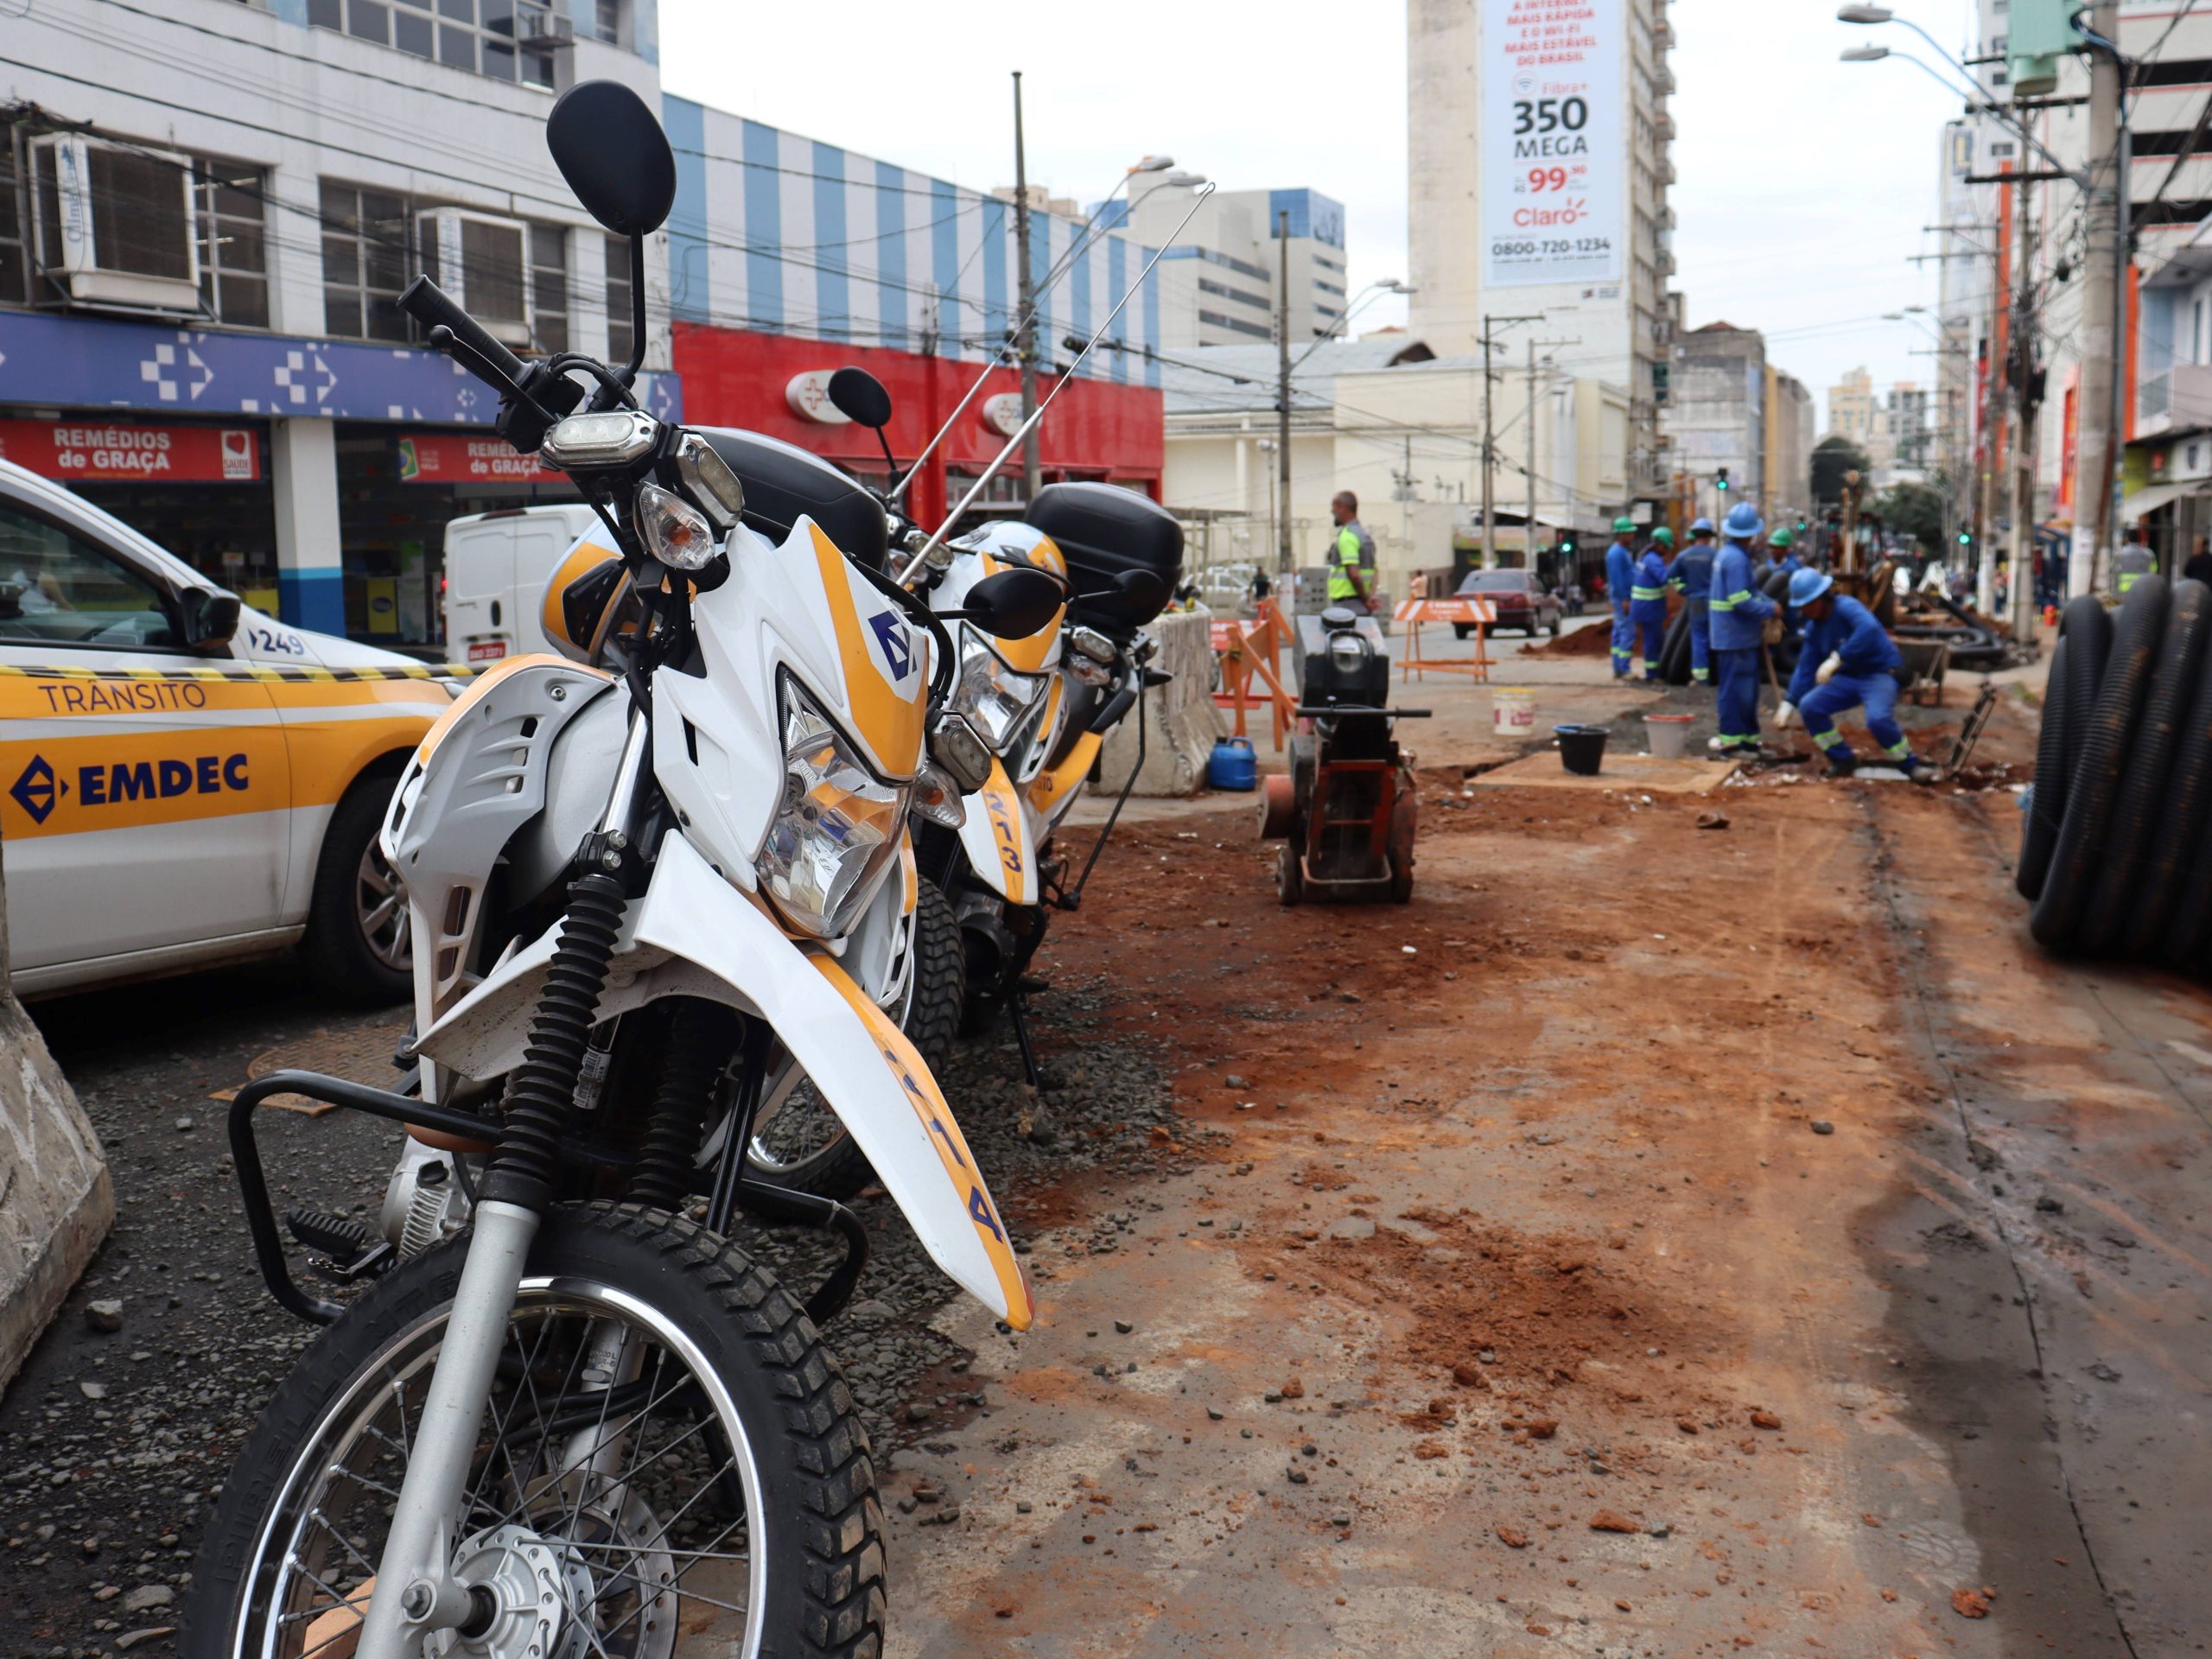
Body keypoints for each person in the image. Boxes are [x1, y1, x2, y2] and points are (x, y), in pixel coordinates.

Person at [1774, 568, 1927, 780]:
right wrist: (1790, 702)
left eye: (1809, 604)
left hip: (1878, 673)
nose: (1806, 610)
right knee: (1810, 706)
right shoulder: (1814, 628)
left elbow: (1869, 630)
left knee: (1878, 719)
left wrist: (1839, 658)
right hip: (1848, 678)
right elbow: (1806, 666)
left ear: (1822, 597)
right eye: (1802, 606)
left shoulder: (1847, 607)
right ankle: (1842, 759)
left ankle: (1910, 764)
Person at [1707, 502, 1779, 754]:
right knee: (1734, 690)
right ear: (1751, 533)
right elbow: (1739, 600)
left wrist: (1768, 603)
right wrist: (1769, 610)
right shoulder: (1736, 559)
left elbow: (1752, 591)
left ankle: (1749, 739)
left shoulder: (1730, 555)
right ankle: (1731, 741)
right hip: (1733, 636)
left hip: (1737, 636)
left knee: (1747, 690)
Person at [1666, 517, 1716, 684]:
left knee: (1699, 638)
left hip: (1695, 601)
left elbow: (1670, 576)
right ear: (1709, 536)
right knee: (1716, 637)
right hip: (1715, 602)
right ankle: (1718, 675)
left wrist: (1683, 589)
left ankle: (1701, 679)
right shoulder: (1716, 555)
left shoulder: (1684, 556)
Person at [1325, 492, 1377, 611]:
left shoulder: (1348, 536)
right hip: (1362, 607)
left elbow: (1353, 574)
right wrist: (1371, 597)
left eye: (1333, 506)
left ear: (1342, 507)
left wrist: (1365, 599)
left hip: (1347, 605)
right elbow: (1375, 572)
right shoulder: (1365, 536)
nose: (1332, 511)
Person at [1605, 516, 1639, 679]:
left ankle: (1618, 667)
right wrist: (1625, 599)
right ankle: (1624, 669)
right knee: (1627, 631)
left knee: (1619, 632)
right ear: (1621, 534)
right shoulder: (1616, 554)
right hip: (1622, 598)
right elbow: (1617, 579)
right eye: (1629, 533)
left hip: (1621, 597)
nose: (1632, 536)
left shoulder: (1621, 552)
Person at [2114, 526, 2155, 596]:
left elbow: (2115, 569)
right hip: (2142, 587)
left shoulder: (2120, 553)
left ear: (2127, 538)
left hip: (2124, 589)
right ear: (2139, 539)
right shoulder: (2149, 553)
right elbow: (2153, 570)